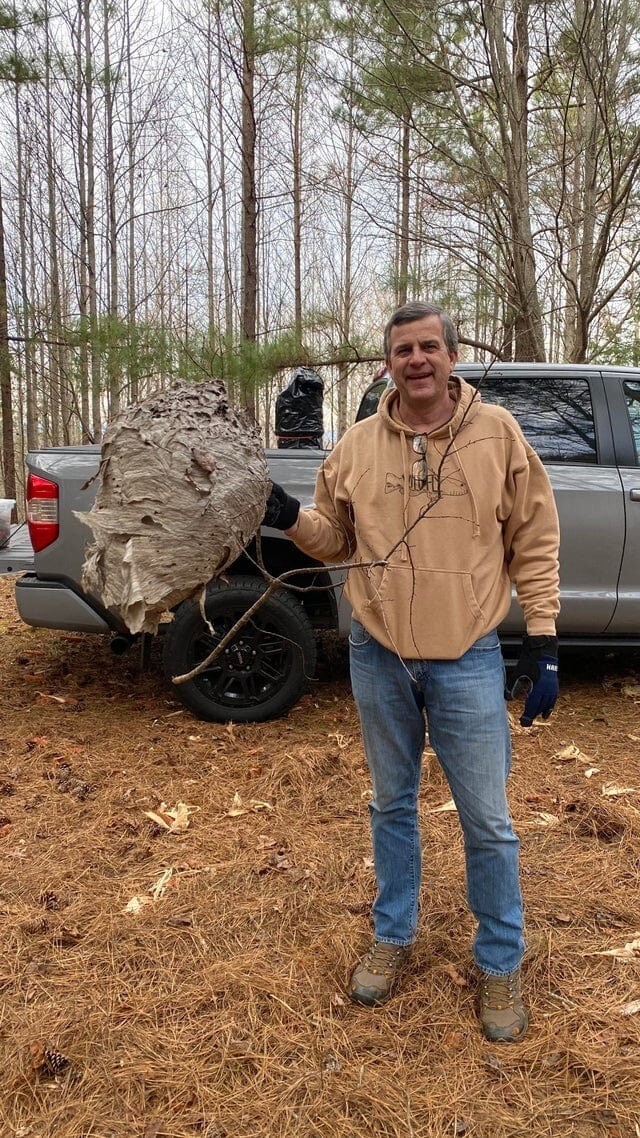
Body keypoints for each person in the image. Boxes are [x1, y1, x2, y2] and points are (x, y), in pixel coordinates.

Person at [264, 301, 560, 1043]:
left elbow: (534, 535)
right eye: (404, 349)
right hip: (379, 655)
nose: (418, 359)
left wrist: (545, 638)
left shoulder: (497, 436)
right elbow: (335, 539)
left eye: (430, 346)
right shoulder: (358, 446)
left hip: (467, 657)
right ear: (388, 362)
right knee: (391, 803)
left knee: (487, 821)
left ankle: (499, 962)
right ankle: (392, 937)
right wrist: (287, 515)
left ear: (452, 356)